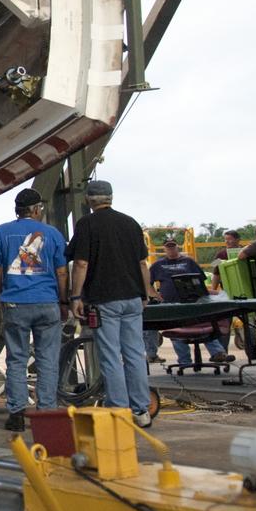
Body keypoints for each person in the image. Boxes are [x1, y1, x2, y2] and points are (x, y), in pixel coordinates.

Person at [66, 180, 157, 428]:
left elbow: (81, 263)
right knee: (135, 354)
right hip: (133, 298)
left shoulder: (87, 224)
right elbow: (142, 264)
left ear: (88, 200)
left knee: (110, 356)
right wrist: (145, 294)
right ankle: (141, 410)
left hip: (104, 301)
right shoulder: (130, 223)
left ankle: (118, 410)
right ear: (111, 198)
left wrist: (75, 297)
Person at [0, 188, 68, 432]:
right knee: (48, 359)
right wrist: (63, 301)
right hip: (47, 303)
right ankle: (46, 412)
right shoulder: (52, 234)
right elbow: (62, 272)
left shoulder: (0, 232)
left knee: (17, 359)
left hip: (16, 303)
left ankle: (16, 413)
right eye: (40, 208)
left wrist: (2, 294)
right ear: (35, 210)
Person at [151, 238, 234, 365]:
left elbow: (200, 279)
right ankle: (184, 361)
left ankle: (218, 353)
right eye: (168, 246)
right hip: (171, 304)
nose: (171, 248)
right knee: (176, 330)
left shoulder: (188, 261)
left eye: (173, 246)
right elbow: (147, 282)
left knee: (203, 325)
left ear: (177, 247)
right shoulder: (158, 264)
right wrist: (155, 295)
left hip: (192, 302)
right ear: (164, 249)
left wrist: (208, 292)